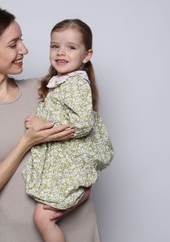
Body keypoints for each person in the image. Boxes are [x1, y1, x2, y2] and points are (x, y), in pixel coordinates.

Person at [0, 6, 102, 241]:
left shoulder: (44, 89)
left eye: (21, 41)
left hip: (77, 226)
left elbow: (86, 138)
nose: (24, 49)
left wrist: (83, 193)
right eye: (13, 44)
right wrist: (26, 142)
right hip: (20, 234)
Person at [22, 19, 114, 242]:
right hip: (62, 164)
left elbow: (82, 123)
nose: (61, 52)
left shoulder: (76, 84)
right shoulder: (62, 81)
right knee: (43, 215)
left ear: (86, 55)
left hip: (69, 165)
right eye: (55, 46)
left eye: (71, 47)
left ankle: (81, 194)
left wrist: (41, 123)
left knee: (42, 219)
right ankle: (82, 194)